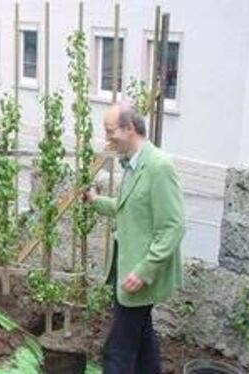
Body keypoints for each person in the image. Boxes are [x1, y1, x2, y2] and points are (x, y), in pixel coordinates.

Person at [83, 102, 185, 374]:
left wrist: (144, 271)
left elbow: (173, 226)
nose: (107, 138)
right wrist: (95, 201)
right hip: (126, 269)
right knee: (143, 341)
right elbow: (128, 206)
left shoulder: (158, 166)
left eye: (110, 131)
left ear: (129, 129)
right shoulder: (133, 164)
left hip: (137, 277)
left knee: (117, 351)